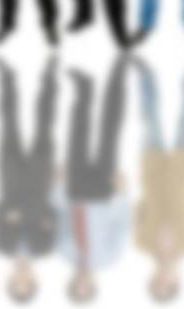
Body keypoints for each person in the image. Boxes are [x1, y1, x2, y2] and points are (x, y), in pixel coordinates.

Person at [56, 58, 131, 304]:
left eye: (77, 287)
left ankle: (84, 87)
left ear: (71, 283)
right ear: (93, 286)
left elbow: (60, 216)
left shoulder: (64, 252)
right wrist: (121, 193)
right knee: (110, 130)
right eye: (86, 288)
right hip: (102, 192)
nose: (83, 283)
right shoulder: (109, 257)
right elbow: (122, 224)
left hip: (75, 190)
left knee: (77, 134)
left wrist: (58, 186)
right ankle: (118, 73)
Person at [134, 56, 184, 305]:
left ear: (152, 278)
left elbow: (138, 209)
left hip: (152, 170)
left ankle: (144, 74)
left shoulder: (142, 244)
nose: (162, 280)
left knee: (149, 119)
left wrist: (152, 193)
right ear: (176, 282)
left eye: (157, 284)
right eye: (168, 286)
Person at [0, 57, 60, 304]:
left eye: (16, 284)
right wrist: (21, 213)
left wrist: (25, 213)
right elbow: (51, 212)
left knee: (8, 122)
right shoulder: (45, 247)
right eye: (26, 284)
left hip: (9, 176)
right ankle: (50, 75)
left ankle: (6, 77)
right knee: (45, 123)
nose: (21, 279)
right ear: (34, 280)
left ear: (9, 279)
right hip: (41, 176)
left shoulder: (1, 245)